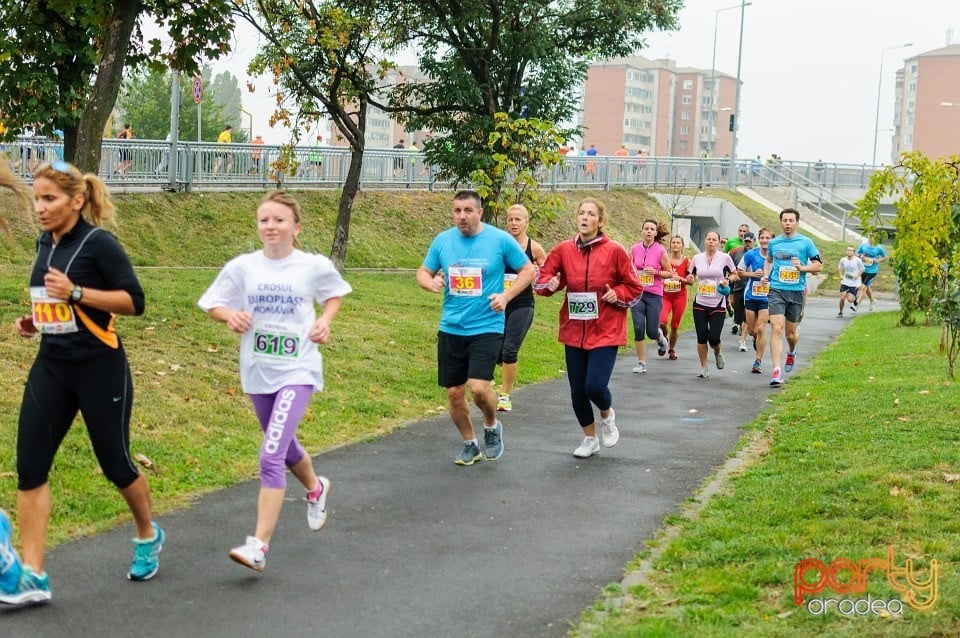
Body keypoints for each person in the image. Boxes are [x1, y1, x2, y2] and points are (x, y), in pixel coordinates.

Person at [1, 160, 163, 606]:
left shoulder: (99, 244)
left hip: (99, 367)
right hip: (52, 364)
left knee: (116, 464)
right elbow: (52, 303)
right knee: (31, 464)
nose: (39, 207)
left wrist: (75, 293)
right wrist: (35, 322)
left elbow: (135, 301)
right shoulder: (44, 243)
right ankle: (33, 575)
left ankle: (148, 534)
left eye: (49, 199)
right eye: (36, 198)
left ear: (77, 201)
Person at [198, 190, 351, 571]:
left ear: (295, 228)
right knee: (282, 446)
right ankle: (316, 488)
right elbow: (213, 302)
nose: (270, 226)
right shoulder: (243, 267)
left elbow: (334, 295)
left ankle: (259, 546)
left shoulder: (311, 266)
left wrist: (324, 321)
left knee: (270, 455)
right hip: (258, 370)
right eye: (264, 219)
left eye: (279, 220)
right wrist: (228, 317)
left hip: (298, 369)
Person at [417, 190, 535, 466]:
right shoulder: (443, 241)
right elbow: (423, 272)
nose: (462, 216)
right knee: (454, 393)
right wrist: (429, 282)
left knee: (479, 388)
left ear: (480, 212)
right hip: (452, 328)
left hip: (487, 326)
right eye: (457, 210)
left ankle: (492, 426)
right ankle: (470, 444)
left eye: (468, 210)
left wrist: (506, 296)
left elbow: (528, 270)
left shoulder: (499, 240)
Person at [534, 198, 643, 458]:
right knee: (577, 389)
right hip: (574, 329)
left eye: (591, 214)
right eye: (581, 213)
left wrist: (617, 294)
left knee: (594, 385)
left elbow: (635, 287)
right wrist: (549, 285)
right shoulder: (563, 250)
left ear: (600, 221)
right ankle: (589, 437)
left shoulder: (615, 250)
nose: (584, 217)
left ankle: (607, 414)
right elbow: (544, 278)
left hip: (606, 329)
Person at [762, 208, 823, 387]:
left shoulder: (806, 242)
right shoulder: (774, 243)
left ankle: (792, 351)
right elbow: (769, 260)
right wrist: (766, 275)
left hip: (796, 291)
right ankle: (776, 370)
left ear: (797, 222)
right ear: (781, 222)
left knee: (790, 334)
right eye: (785, 220)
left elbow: (818, 265)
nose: (788, 223)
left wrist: (802, 268)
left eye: (791, 220)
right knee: (776, 328)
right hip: (777, 290)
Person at [497, 204, 546, 412]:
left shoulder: (534, 248)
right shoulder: (498, 244)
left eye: (518, 219)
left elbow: (549, 273)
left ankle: (505, 395)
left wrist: (538, 272)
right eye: (510, 219)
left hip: (522, 304)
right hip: (498, 303)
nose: (514, 223)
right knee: (496, 352)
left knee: (509, 350)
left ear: (527, 222)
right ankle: (506, 369)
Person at [689, 231, 738, 378]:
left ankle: (717, 352)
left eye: (714, 239)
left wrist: (727, 280)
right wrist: (690, 277)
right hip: (700, 302)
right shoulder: (697, 258)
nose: (711, 241)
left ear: (718, 242)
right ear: (705, 241)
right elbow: (690, 274)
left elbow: (736, 274)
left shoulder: (725, 258)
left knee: (714, 337)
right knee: (701, 337)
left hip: (718, 302)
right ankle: (703, 367)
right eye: (708, 239)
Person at [628, 219, 674, 373]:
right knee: (638, 327)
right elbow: (628, 268)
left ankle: (660, 339)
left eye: (651, 229)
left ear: (655, 233)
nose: (648, 231)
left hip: (654, 294)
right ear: (642, 231)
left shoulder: (660, 251)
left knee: (652, 331)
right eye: (646, 228)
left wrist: (655, 272)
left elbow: (669, 273)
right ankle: (641, 363)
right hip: (637, 294)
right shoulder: (634, 249)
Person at [738, 227, 773, 374]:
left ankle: (758, 360)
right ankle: (754, 338)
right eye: (762, 238)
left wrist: (770, 281)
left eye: (768, 238)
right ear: (759, 240)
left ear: (772, 240)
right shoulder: (751, 255)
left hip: (767, 297)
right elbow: (739, 272)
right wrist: (752, 273)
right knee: (752, 330)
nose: (765, 241)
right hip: (751, 295)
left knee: (761, 328)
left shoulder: (776, 257)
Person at [659, 235, 692, 361]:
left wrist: (681, 279)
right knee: (662, 321)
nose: (675, 245)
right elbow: (659, 274)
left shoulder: (687, 261)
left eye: (678, 242)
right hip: (665, 295)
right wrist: (665, 275)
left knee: (675, 325)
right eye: (673, 242)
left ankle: (671, 349)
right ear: (670, 244)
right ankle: (664, 338)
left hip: (680, 296)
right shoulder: (664, 258)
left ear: (682, 245)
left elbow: (690, 282)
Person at [728, 230, 752, 349]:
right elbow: (731, 270)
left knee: (747, 316)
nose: (747, 243)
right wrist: (730, 292)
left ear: (753, 242)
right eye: (745, 241)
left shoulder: (757, 254)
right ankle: (737, 322)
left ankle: (743, 340)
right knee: (738, 314)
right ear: (743, 241)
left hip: (752, 289)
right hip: (738, 287)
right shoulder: (735, 252)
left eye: (749, 241)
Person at [855, 236, 887, 311]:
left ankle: (856, 304)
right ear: (868, 238)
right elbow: (857, 253)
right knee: (867, 288)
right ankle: (872, 301)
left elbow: (885, 257)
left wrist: (878, 260)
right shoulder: (863, 246)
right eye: (870, 237)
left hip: (872, 271)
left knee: (863, 288)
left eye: (873, 237)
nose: (871, 239)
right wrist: (860, 256)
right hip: (863, 270)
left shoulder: (879, 247)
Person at [837, 245, 865, 317]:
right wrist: (840, 275)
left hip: (854, 283)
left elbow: (862, 269)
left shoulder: (857, 260)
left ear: (854, 252)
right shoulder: (843, 259)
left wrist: (857, 275)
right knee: (842, 297)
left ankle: (855, 299)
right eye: (848, 250)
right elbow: (840, 268)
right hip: (845, 281)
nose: (849, 252)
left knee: (850, 300)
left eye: (851, 250)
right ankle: (840, 312)